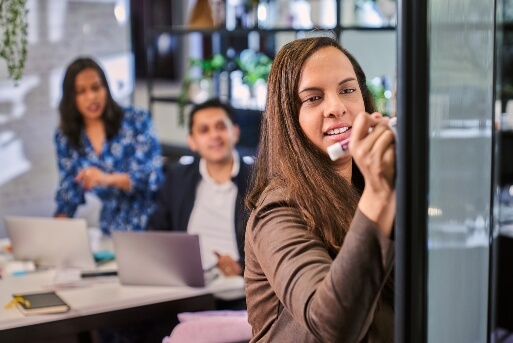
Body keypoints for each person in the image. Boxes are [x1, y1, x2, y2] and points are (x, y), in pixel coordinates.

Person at [244, 36, 396, 342]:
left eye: (348, 90)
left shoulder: (370, 186)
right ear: (288, 118)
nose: (337, 108)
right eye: (313, 98)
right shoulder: (278, 211)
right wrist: (380, 194)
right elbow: (333, 327)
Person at [53, 57, 164, 234]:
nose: (92, 97)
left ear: (106, 88)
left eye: (96, 88)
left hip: (151, 225)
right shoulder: (66, 137)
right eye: (81, 91)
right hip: (111, 230)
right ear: (70, 98)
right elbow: (69, 193)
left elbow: (152, 177)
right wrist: (52, 236)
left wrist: (106, 178)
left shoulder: (137, 120)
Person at [147, 98, 253, 278]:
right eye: (204, 130)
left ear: (235, 132)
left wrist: (242, 268)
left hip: (240, 284)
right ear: (192, 141)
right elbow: (156, 230)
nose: (214, 136)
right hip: (187, 282)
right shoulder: (178, 177)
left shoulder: (259, 180)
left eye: (221, 127)